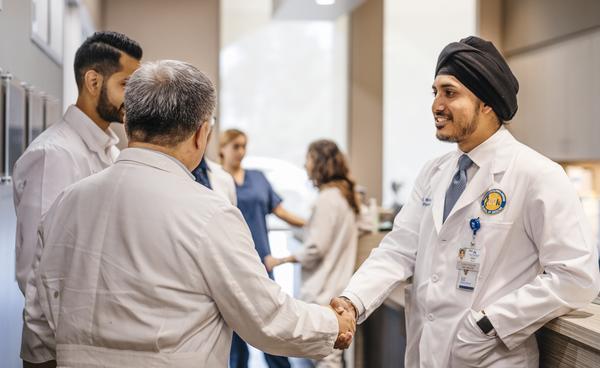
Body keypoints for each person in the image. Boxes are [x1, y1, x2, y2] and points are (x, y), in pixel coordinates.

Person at [24, 60, 355, 368]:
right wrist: (333, 323)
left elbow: (38, 327)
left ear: (127, 123)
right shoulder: (209, 215)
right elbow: (268, 320)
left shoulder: (66, 203)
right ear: (201, 134)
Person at [331, 36, 600, 368]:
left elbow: (576, 276)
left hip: (489, 356)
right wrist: (352, 301)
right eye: (435, 92)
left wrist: (489, 323)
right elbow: (398, 249)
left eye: (450, 92)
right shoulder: (435, 172)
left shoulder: (537, 175)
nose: (436, 105)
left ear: (486, 102)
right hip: (427, 353)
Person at [13, 31, 142, 368]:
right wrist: (53, 355)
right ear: (93, 81)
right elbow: (36, 273)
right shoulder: (53, 154)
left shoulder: (111, 150)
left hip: (96, 344)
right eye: (127, 84)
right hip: (59, 353)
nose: (135, 96)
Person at [219, 129, 306, 368]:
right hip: (229, 263)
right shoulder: (215, 180)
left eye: (244, 146)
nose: (241, 152)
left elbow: (281, 212)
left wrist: (314, 224)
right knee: (234, 330)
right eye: (235, 146)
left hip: (261, 261)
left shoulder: (258, 178)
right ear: (222, 148)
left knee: (270, 324)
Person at [270, 139, 359, 368]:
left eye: (309, 158)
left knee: (327, 359)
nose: (306, 164)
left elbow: (316, 247)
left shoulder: (328, 199)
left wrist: (282, 259)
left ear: (320, 162)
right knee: (332, 356)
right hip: (335, 288)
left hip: (323, 295)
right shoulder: (344, 195)